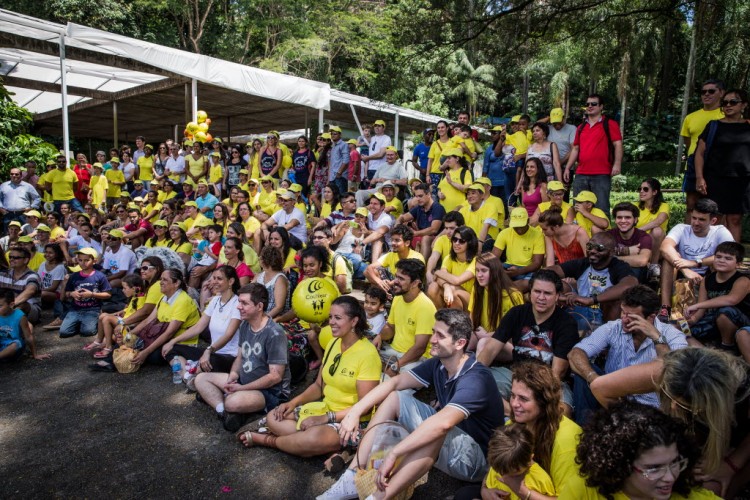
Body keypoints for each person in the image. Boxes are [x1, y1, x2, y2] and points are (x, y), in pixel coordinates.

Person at [317, 309, 503, 500]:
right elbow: (395, 382)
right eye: (433, 332)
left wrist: (395, 452)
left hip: (479, 460)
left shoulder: (476, 378)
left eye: (440, 335)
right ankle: (352, 476)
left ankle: (378, 497)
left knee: (436, 430)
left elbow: (443, 424)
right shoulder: (439, 363)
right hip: (456, 444)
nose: (432, 340)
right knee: (395, 397)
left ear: (460, 343)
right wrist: (355, 411)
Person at [590, 347, 749, 497]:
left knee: (709, 489)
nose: (672, 406)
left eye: (683, 405)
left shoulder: (743, 391)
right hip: (683, 444)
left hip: (734, 445)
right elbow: (601, 388)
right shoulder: (668, 371)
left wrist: (732, 464)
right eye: (668, 395)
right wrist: (640, 429)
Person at [239, 296, 381, 457]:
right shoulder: (334, 343)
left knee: (312, 438)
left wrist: (325, 418)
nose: (331, 322)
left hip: (351, 420)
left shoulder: (368, 354)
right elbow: (319, 386)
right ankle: (303, 442)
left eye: (338, 318)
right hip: (325, 409)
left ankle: (268, 440)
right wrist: (292, 403)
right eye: (330, 317)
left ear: (354, 321)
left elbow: (365, 407)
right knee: (274, 416)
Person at [568, 285, 688, 424]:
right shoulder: (614, 327)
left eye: (631, 316)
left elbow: (677, 372)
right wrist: (594, 379)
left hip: (652, 410)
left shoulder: (672, 335)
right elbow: (575, 353)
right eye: (623, 312)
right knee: (583, 372)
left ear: (650, 318)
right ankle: (584, 431)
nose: (624, 319)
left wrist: (656, 337)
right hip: (611, 400)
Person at [563, 400, 712, 500]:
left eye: (675, 462)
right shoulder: (583, 491)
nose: (670, 478)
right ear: (620, 466)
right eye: (654, 468)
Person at [477, 270, 579, 414]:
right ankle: (514, 416)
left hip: (548, 380)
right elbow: (491, 349)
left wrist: (531, 393)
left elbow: (558, 372)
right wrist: (474, 375)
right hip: (514, 374)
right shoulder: (517, 313)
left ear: (557, 296)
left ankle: (516, 415)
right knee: (479, 387)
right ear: (530, 292)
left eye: (548, 293)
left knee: (562, 412)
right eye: (537, 291)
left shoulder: (567, 323)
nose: (541, 297)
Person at [195, 283, 290, 431]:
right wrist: (233, 375)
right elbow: (240, 356)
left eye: (244, 303)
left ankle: (229, 405)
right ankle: (224, 412)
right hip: (243, 382)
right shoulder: (245, 325)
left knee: (232, 402)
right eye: (239, 302)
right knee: (200, 379)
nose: (238, 306)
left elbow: (275, 377)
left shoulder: (274, 333)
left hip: (269, 392)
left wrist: (242, 388)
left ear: (259, 306)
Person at [163, 266, 242, 389]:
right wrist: (173, 341)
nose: (214, 281)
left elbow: (228, 334)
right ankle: (188, 377)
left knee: (211, 362)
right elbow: (199, 326)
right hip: (212, 352)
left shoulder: (237, 304)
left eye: (219, 279)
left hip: (228, 356)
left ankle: (191, 373)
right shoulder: (215, 300)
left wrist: (208, 350)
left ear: (231, 281)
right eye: (213, 278)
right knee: (172, 349)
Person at [658, 198, 734, 321]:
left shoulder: (720, 231)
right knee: (667, 260)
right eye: (694, 218)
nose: (696, 223)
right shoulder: (681, 228)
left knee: (720, 261)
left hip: (710, 274)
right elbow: (665, 247)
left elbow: (730, 254)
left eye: (702, 219)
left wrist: (695, 262)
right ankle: (665, 307)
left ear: (713, 221)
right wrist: (685, 268)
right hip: (682, 273)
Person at [695, 88, 750, 242]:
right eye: (724, 102)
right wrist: (700, 178)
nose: (728, 105)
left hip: (741, 180)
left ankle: (732, 258)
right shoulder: (714, 126)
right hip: (715, 179)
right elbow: (699, 153)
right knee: (714, 219)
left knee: (735, 219)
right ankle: (710, 257)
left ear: (744, 105)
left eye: (733, 102)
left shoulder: (748, 126)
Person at [552, 232, 638, 328]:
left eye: (599, 248)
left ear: (612, 252)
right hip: (580, 308)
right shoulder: (582, 263)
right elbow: (549, 272)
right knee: (559, 285)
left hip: (604, 313)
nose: (592, 251)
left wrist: (592, 300)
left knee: (616, 298)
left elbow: (631, 284)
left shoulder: (618, 266)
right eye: (589, 246)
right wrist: (558, 296)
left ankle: (610, 334)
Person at [454, 424, 556, 500]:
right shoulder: (502, 465)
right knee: (462, 494)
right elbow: (489, 478)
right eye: (500, 471)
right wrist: (485, 491)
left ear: (530, 459)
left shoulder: (540, 480)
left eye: (513, 474)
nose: (504, 476)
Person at [563, 94, 623, 215]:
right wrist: (568, 168)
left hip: (601, 173)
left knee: (601, 208)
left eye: (594, 104)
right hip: (581, 173)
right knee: (578, 208)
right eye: (588, 104)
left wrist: (617, 164)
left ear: (601, 107)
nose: (590, 106)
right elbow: (575, 149)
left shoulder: (610, 124)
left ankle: (602, 234)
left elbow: (618, 144)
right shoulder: (581, 127)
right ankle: (580, 233)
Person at [126, 269, 200, 366]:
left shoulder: (183, 301)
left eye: (164, 280)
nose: (160, 282)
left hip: (181, 343)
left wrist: (145, 352)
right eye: (161, 279)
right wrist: (129, 335)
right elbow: (148, 320)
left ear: (176, 283)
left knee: (151, 356)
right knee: (127, 341)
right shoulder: (163, 297)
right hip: (160, 335)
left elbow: (169, 333)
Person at [684, 241, 750, 350]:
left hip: (741, 323)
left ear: (738, 264)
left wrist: (697, 306)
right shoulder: (707, 279)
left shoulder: (743, 280)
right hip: (713, 320)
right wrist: (692, 320)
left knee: (726, 311)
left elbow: (732, 300)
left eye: (728, 258)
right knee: (682, 329)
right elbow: (701, 309)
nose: (722, 261)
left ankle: (727, 347)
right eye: (718, 257)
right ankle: (707, 354)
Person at [377, 259, 436, 377]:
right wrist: (379, 336)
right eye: (396, 277)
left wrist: (396, 366)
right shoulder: (398, 296)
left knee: (399, 377)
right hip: (393, 352)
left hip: (416, 359)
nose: (395, 282)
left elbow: (420, 348)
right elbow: (390, 327)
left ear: (415, 283)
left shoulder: (426, 307)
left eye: (401, 279)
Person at [681, 79, 725, 222]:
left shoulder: (726, 115)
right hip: (694, 165)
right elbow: (688, 143)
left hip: (718, 166)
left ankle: (716, 242)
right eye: (703, 92)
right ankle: (689, 240)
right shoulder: (690, 117)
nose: (706, 94)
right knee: (691, 204)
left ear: (721, 93)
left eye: (711, 91)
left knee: (717, 207)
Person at [467, 253, 523, 352]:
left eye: (484, 271)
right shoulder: (477, 289)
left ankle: (478, 367)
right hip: (482, 335)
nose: (479, 275)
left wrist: (488, 335)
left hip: (507, 342)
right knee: (464, 339)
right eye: (477, 270)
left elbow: (516, 330)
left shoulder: (512, 295)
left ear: (494, 271)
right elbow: (471, 319)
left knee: (483, 342)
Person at [59, 248, 112, 339]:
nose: (83, 263)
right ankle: (78, 323)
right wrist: (72, 294)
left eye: (86, 260)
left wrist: (92, 294)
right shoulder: (74, 276)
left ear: (94, 261)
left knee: (88, 331)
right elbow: (66, 294)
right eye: (80, 260)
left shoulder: (100, 276)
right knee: (64, 332)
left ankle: (86, 323)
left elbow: (108, 294)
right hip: (75, 309)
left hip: (93, 309)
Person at [427, 225, 478, 310]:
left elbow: (457, 280)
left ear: (469, 243)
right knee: (433, 286)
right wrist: (446, 287)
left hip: (471, 299)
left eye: (461, 241)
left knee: (454, 292)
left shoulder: (476, 261)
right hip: (451, 292)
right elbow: (440, 278)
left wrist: (436, 272)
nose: (457, 243)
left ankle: (457, 322)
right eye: (454, 239)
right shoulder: (449, 258)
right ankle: (442, 315)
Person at [364, 224, 424, 296]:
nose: (393, 243)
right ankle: (382, 296)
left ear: (407, 243)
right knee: (368, 272)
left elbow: (408, 279)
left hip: (408, 288)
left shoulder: (416, 257)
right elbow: (369, 267)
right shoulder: (391, 254)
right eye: (392, 240)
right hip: (393, 283)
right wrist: (379, 281)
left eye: (397, 240)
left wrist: (390, 283)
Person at [492, 207, 545, 287]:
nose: (518, 229)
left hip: (528, 268)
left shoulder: (537, 235)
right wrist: (501, 270)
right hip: (508, 266)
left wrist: (519, 271)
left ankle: (507, 290)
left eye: (521, 226)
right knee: (489, 274)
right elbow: (493, 257)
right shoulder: (504, 233)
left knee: (529, 282)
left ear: (528, 221)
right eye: (516, 226)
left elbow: (537, 263)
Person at [397, 182, 445, 260]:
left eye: (420, 196)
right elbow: (403, 217)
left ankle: (422, 266)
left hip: (436, 238)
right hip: (420, 235)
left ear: (429, 194)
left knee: (426, 238)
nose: (418, 199)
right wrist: (398, 223)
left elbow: (434, 230)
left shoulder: (437, 208)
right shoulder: (419, 207)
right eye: (416, 196)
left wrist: (415, 233)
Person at [608, 202, 653, 283]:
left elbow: (642, 261)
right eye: (619, 217)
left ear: (635, 220)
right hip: (612, 273)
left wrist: (612, 258)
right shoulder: (609, 235)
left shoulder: (643, 237)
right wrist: (627, 251)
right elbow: (598, 254)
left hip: (635, 276)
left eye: (627, 217)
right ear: (615, 220)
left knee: (634, 269)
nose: (623, 221)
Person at [0, 289, 49, 362]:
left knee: (16, 344)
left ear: (11, 305)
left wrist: (35, 355)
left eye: (0, 306)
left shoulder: (20, 316)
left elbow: (28, 336)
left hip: (12, 346)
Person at [0, 246, 42, 325]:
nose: (11, 259)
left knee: (22, 305)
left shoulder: (32, 276)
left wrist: (9, 306)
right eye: (10, 257)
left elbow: (30, 291)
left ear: (26, 260)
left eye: (16, 258)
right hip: (5, 307)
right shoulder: (3, 274)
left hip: (31, 311)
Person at [636, 177, 670, 274]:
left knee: (657, 230)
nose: (641, 191)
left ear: (655, 192)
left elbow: (658, 221)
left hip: (656, 246)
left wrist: (637, 231)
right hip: (639, 242)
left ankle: (653, 266)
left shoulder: (664, 206)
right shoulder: (635, 206)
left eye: (645, 189)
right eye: (640, 189)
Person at [459, 183, 500, 249]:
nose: (470, 196)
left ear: (482, 196)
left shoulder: (490, 207)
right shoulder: (463, 210)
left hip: (486, 243)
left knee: (488, 238)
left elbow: (486, 226)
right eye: (468, 194)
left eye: (473, 193)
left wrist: (479, 244)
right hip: (471, 243)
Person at [0, 167, 42, 232]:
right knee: (8, 235)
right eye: (12, 174)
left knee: (24, 235)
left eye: (16, 174)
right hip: (8, 214)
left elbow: (37, 198)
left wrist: (31, 207)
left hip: (23, 214)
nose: (14, 176)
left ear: (21, 175)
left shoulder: (28, 186)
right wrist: (1, 209)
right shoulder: (3, 186)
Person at [437, 148, 473, 212]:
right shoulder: (446, 173)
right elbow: (439, 188)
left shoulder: (465, 172)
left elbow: (467, 188)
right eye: (447, 158)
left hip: (458, 212)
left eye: (449, 158)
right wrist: (439, 194)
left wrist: (451, 182)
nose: (447, 161)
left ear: (457, 159)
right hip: (443, 212)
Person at [483, 125, 508, 200]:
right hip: (492, 183)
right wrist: (483, 182)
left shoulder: (508, 146)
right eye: (491, 133)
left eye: (495, 133)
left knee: (505, 205)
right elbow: (485, 166)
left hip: (505, 182)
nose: (492, 135)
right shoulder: (489, 149)